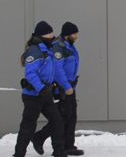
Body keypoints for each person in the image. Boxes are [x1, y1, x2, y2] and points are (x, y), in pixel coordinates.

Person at [13, 21, 63, 157]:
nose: (51, 36)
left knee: (57, 121)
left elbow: (49, 72)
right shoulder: (35, 50)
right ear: (41, 35)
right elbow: (30, 73)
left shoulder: (48, 50)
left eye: (52, 33)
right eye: (48, 33)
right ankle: (19, 153)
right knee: (28, 126)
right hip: (33, 95)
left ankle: (59, 151)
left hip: (45, 94)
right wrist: (41, 89)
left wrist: (54, 87)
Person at [54, 23, 82, 157]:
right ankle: (57, 145)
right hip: (63, 88)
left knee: (71, 117)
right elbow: (58, 70)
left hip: (70, 87)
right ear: (67, 34)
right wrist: (66, 87)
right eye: (74, 34)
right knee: (63, 117)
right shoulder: (59, 48)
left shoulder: (70, 47)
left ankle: (69, 145)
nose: (76, 36)